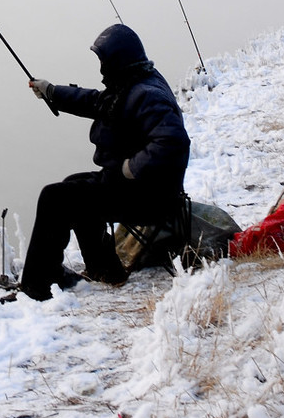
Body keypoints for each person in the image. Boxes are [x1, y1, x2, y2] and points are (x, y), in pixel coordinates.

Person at [17, 24, 190, 301]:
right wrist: (52, 92)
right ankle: (105, 269)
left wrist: (130, 167)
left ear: (118, 60)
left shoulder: (147, 95)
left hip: (150, 197)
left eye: (104, 62)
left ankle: (35, 288)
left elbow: (173, 142)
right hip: (141, 189)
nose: (101, 70)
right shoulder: (133, 81)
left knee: (55, 197)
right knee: (73, 186)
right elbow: (96, 102)